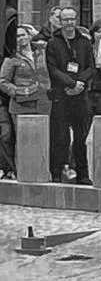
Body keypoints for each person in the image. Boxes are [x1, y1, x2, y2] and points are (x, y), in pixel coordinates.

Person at [46, 7, 95, 184]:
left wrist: (80, 83)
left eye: (72, 19)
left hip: (80, 95)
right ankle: (57, 172)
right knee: (60, 136)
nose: (69, 23)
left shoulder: (84, 42)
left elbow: (91, 66)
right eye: (65, 19)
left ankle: (82, 173)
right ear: (60, 21)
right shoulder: (53, 42)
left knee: (80, 137)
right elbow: (53, 69)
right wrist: (70, 83)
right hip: (62, 94)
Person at [0, 25, 51, 178]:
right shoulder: (12, 58)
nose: (21, 39)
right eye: (17, 36)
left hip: (42, 101)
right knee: (24, 141)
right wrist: (20, 91)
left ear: (29, 36)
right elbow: (2, 81)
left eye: (23, 35)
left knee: (42, 139)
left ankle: (41, 172)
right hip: (21, 104)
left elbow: (55, 48)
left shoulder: (40, 52)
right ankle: (23, 173)